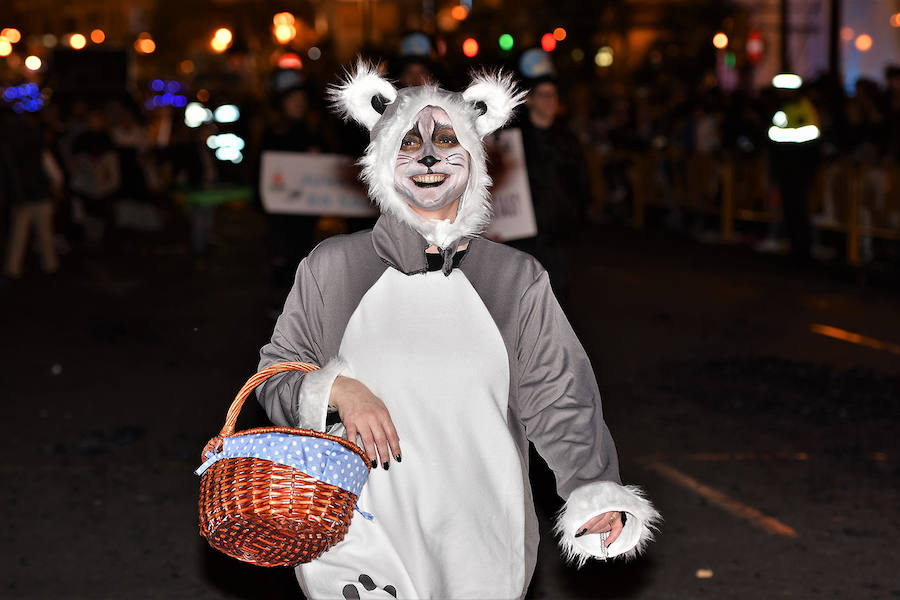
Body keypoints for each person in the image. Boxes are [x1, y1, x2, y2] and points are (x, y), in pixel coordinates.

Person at [255, 63, 659, 600]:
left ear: (473, 159)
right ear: (380, 161)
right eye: (408, 142)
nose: (427, 156)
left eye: (446, 139)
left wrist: (592, 486)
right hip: (361, 534)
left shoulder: (515, 278)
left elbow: (557, 393)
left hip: (479, 533)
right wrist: (335, 390)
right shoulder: (334, 267)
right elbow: (274, 378)